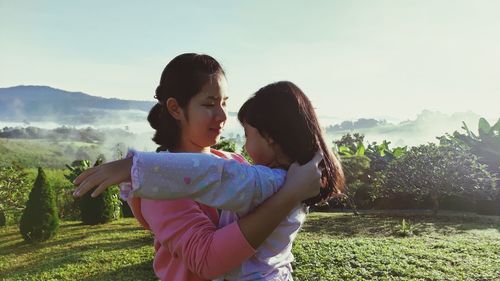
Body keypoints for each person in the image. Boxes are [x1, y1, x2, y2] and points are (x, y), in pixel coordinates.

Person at [73, 53, 324, 281]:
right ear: (175, 108)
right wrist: (291, 194)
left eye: (225, 103)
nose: (223, 116)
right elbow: (206, 260)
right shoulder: (159, 185)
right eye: (209, 104)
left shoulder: (234, 162)